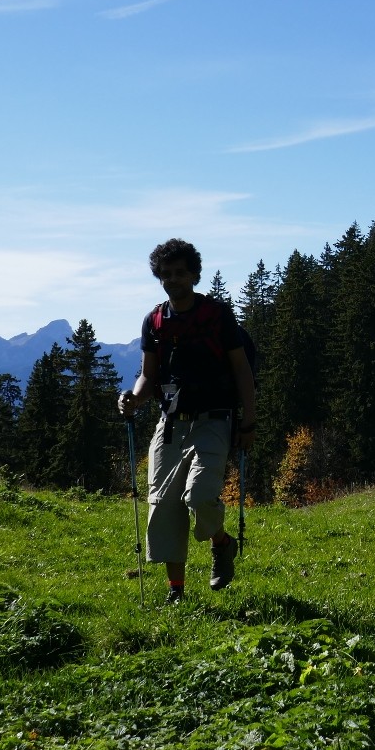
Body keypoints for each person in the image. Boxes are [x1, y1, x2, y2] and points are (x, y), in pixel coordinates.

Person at [119, 239, 257, 602]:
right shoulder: (155, 321)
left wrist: (249, 422)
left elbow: (242, 370)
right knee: (163, 504)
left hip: (215, 419)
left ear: (194, 274)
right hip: (171, 422)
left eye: (180, 273)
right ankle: (176, 592)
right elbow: (148, 376)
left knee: (199, 495)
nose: (173, 280)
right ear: (159, 278)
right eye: (166, 274)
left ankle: (221, 543)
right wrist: (133, 397)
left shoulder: (217, 315)